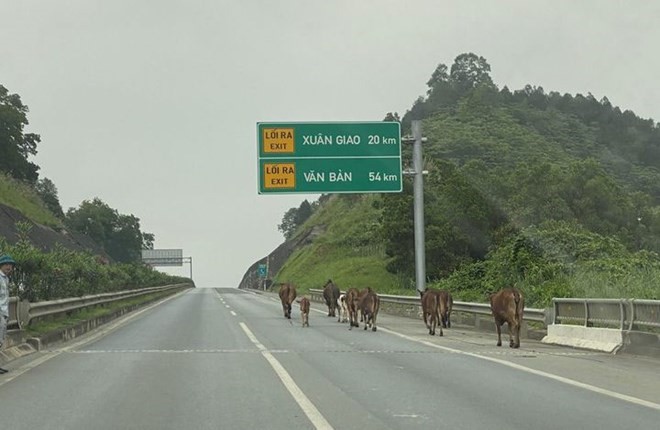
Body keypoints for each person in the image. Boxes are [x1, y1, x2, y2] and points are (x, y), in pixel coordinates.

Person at [0, 254, 16, 374]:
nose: (8, 267)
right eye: (6, 264)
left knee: (1, 340)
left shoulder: (6, 278)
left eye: (10, 265)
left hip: (3, 312)